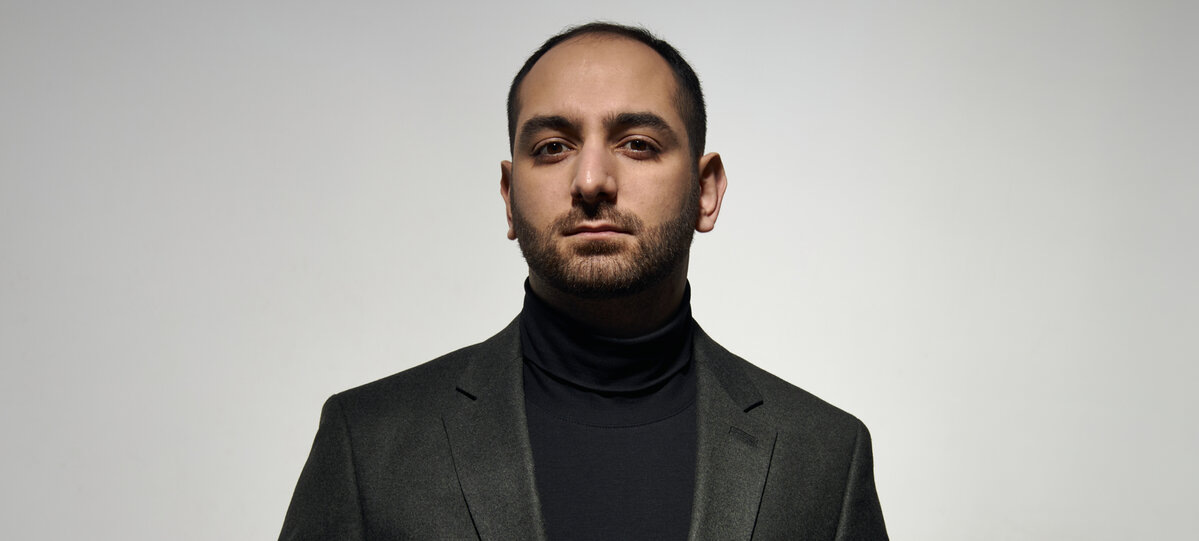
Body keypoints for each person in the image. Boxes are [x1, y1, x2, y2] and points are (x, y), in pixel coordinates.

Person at [280, 22, 888, 541]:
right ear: (509, 197)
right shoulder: (368, 444)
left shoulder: (825, 457)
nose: (592, 179)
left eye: (638, 144)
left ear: (706, 191)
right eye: (552, 147)